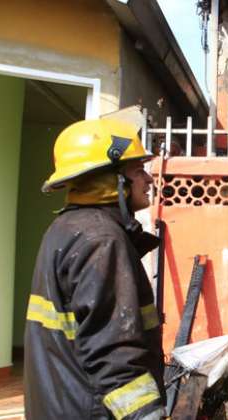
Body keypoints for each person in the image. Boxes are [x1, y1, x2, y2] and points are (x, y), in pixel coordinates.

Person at [24, 119, 165, 419]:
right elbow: (115, 355)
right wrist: (148, 414)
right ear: (112, 181)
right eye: (139, 170)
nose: (149, 181)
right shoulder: (101, 241)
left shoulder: (66, 228)